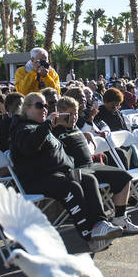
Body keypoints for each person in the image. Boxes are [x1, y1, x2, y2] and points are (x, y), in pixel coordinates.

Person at [8, 92, 124, 252]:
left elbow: (59, 153)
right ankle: (90, 236)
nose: (44, 109)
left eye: (46, 106)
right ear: (26, 109)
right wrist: (47, 125)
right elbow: (30, 146)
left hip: (57, 174)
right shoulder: (22, 128)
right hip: (36, 178)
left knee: (88, 179)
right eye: (39, 105)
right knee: (71, 187)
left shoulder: (42, 127)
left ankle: (100, 225)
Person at [52, 96, 138, 234]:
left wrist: (85, 133)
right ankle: (99, 225)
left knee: (124, 176)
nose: (75, 117)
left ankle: (119, 218)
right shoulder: (53, 131)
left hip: (91, 166)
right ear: (61, 113)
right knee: (91, 182)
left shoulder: (75, 127)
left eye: (76, 113)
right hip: (76, 170)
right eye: (71, 114)